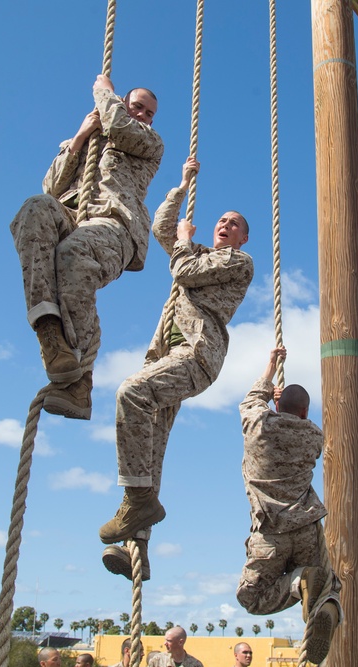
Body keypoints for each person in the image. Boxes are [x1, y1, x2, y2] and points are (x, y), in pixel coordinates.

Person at [99, 156, 254, 581]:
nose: (224, 224)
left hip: (197, 356)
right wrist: (181, 188)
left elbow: (183, 267)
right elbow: (161, 230)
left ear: (242, 238)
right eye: (221, 220)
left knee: (130, 392)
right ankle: (138, 549)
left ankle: (136, 501)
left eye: (233, 223)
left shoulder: (238, 263)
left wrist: (186, 239)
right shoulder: (199, 251)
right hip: (167, 358)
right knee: (151, 447)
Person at [11, 74, 163, 420]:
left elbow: (121, 128)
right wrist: (79, 138)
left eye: (149, 113)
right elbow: (51, 187)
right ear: (126, 103)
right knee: (34, 209)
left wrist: (103, 93)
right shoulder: (89, 136)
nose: (142, 115)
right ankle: (51, 334)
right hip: (73, 218)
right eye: (137, 107)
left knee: (73, 254)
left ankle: (81, 378)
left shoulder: (148, 142)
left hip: (115, 225)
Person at [234, 347, 341, 665]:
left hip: (270, 533)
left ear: (277, 405)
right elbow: (294, 416)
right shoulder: (313, 436)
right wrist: (283, 403)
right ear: (306, 412)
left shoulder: (258, 428)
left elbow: (250, 399)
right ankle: (327, 603)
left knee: (252, 597)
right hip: (306, 529)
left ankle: (297, 582)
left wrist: (270, 371)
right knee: (327, 584)